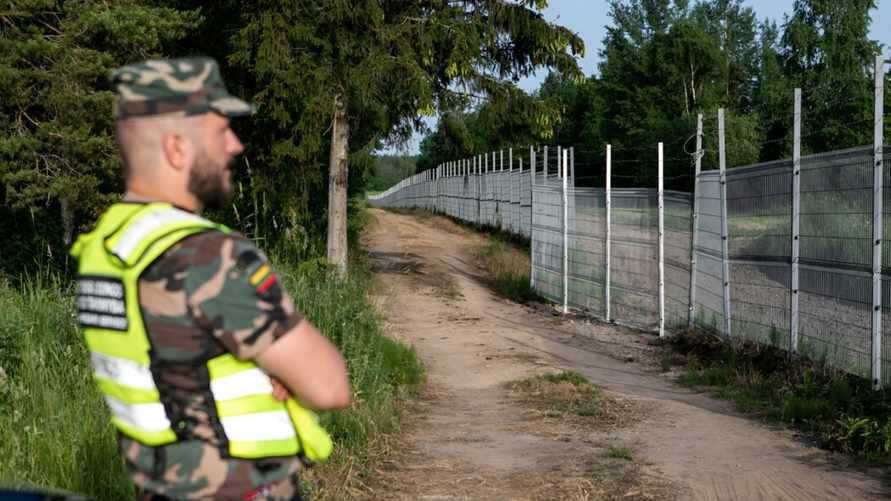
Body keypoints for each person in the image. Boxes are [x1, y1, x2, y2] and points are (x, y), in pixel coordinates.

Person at [70, 57, 351, 500]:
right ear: (177, 147)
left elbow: (174, 363)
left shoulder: (103, 249)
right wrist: (276, 372)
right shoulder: (204, 255)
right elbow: (330, 385)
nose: (235, 145)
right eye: (221, 131)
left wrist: (260, 369)